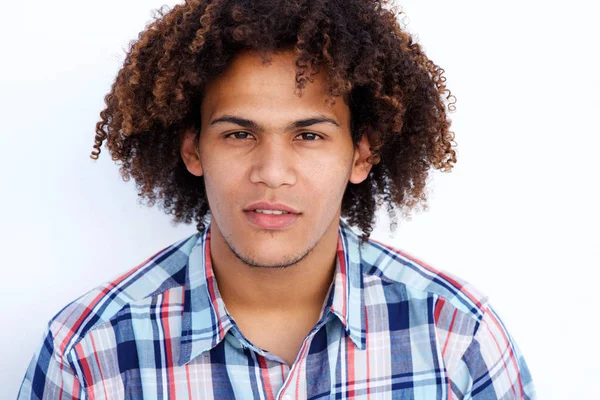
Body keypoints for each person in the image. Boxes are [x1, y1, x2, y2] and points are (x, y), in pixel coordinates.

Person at [18, 0, 535, 398]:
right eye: (239, 135)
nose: (271, 173)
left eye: (308, 136)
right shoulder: (87, 355)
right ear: (193, 150)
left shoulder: (458, 337)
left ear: (361, 155)